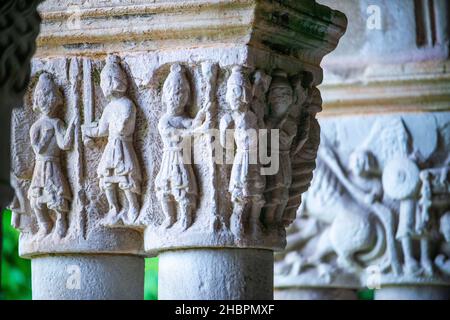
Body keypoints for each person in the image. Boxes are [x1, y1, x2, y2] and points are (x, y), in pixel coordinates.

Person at [82, 56, 141, 226]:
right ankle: (114, 207)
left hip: (123, 145)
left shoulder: (127, 104)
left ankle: (133, 206)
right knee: (106, 178)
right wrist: (88, 131)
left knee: (125, 177)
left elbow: (125, 125)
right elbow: (102, 129)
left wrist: (120, 124)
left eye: (106, 81)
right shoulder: (109, 107)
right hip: (111, 146)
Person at [155, 64, 204, 230]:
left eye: (182, 94)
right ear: (165, 95)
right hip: (170, 158)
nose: (177, 97)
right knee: (164, 188)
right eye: (173, 93)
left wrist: (202, 115)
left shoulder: (182, 118)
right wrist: (198, 130)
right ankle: (169, 217)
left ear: (188, 98)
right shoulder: (165, 120)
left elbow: (191, 124)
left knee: (183, 187)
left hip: (181, 160)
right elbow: (178, 133)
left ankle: (186, 217)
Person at [28, 73, 76, 238]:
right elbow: (38, 150)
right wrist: (47, 136)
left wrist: (72, 126)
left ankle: (61, 221)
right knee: (36, 199)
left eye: (49, 98)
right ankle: (45, 224)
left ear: (56, 100)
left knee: (56, 194)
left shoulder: (58, 123)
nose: (45, 102)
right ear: (36, 102)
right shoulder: (36, 126)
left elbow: (65, 145)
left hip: (54, 164)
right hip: (41, 166)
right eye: (41, 98)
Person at [220, 66, 265, 237]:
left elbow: (263, 134)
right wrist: (225, 130)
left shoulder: (253, 116)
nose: (232, 99)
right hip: (241, 158)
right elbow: (226, 145)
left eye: (236, 94)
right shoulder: (229, 118)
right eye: (230, 94)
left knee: (257, 192)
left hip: (253, 157)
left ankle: (254, 221)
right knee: (240, 192)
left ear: (245, 96)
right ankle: (237, 217)